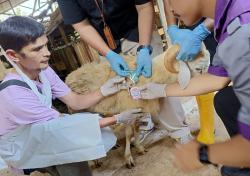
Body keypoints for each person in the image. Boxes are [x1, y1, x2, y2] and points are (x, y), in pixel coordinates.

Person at [0, 16, 145, 176]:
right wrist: (117, 119)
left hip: (37, 132)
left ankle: (53, 167)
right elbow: (63, 128)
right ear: (13, 55)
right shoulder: (14, 95)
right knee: (69, 149)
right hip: (20, 145)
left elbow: (75, 102)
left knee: (68, 145)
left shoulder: (43, 71)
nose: (47, 52)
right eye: (37, 49)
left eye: (45, 45)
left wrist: (104, 90)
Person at [137, 0, 250, 176]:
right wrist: (161, 90)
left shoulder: (240, 33)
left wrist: (203, 154)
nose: (170, 9)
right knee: (225, 100)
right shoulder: (230, 14)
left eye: (170, 0)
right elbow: (218, 78)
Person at [57, 0, 194, 144]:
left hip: (139, 31)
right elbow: (82, 25)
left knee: (157, 79)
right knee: (126, 90)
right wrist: (108, 54)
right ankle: (146, 125)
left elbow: (144, 7)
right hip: (106, 44)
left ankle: (179, 131)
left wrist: (144, 49)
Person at [163, 0, 217, 145]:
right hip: (190, 20)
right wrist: (172, 27)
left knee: (224, 71)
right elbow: (168, 3)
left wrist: (203, 29)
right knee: (199, 75)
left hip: (214, 17)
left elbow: (228, 4)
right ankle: (207, 127)